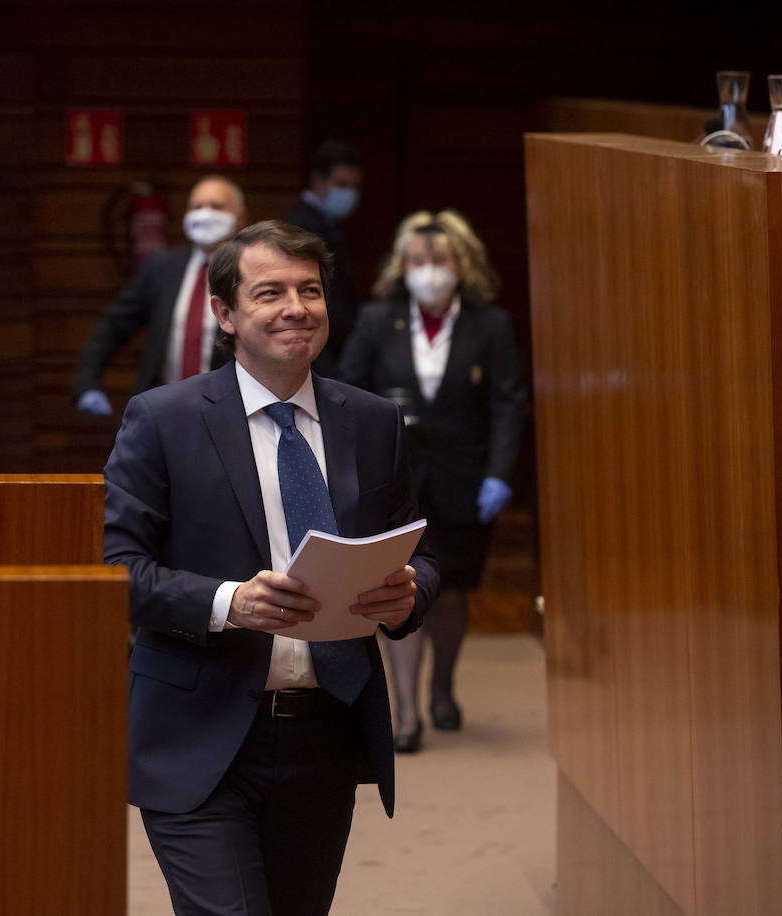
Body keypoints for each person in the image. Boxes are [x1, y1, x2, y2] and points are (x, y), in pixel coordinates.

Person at [104, 219, 440, 914]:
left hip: (326, 733)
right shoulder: (162, 419)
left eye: (309, 289)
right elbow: (116, 569)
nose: (296, 307)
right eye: (270, 292)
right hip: (199, 732)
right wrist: (230, 602)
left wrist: (411, 596)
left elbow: (423, 550)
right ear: (225, 314)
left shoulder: (373, 422)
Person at [338, 209, 524, 751]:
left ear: (461, 266)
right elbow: (349, 391)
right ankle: (408, 712)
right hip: (395, 482)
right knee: (398, 587)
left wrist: (499, 474)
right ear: (402, 267)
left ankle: (443, 690)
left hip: (467, 480)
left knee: (454, 591)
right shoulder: (379, 320)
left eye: (439, 260)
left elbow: (507, 405)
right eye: (417, 261)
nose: (428, 271)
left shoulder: (490, 325)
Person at [74, 175, 247, 416]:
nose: (205, 214)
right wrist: (87, 383)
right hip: (163, 411)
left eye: (216, 207)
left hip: (229, 413)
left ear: (239, 217)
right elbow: (113, 325)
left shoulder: (251, 273)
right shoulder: (162, 267)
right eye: (196, 207)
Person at [283, 139, 362, 377]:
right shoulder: (303, 226)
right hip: (319, 349)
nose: (349, 193)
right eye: (341, 184)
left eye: (354, 186)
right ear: (318, 180)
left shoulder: (326, 223)